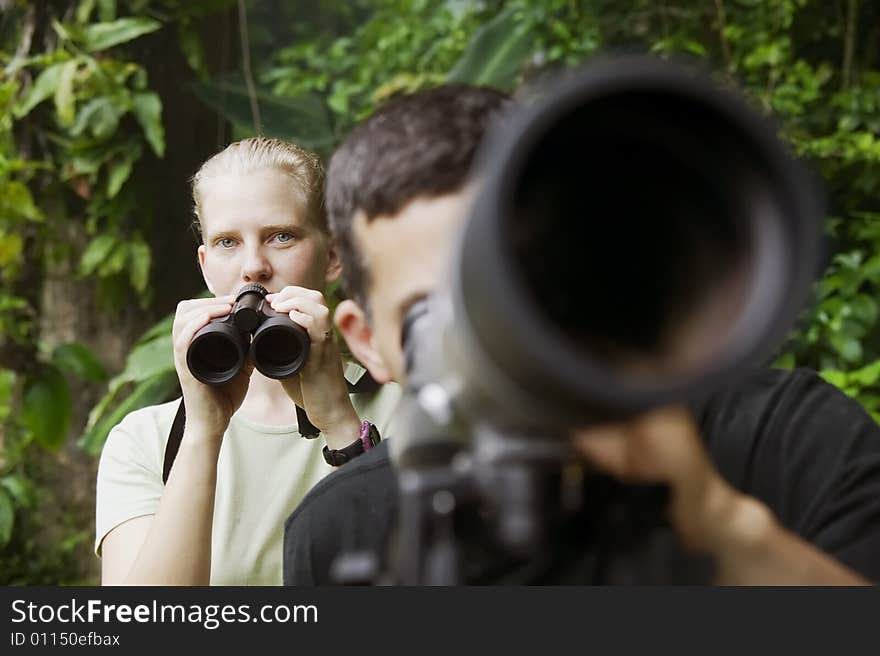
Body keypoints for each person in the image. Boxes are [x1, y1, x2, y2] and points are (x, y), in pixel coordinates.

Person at [282, 85, 880, 585]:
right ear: (368, 341)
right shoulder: (340, 529)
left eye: (520, 287)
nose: (499, 342)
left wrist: (719, 525)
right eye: (441, 315)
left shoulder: (785, 437)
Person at [95, 137, 402, 585]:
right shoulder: (146, 441)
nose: (253, 267)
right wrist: (203, 432)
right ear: (205, 266)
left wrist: (340, 423)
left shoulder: (405, 413)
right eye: (227, 242)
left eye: (282, 236)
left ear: (333, 255)